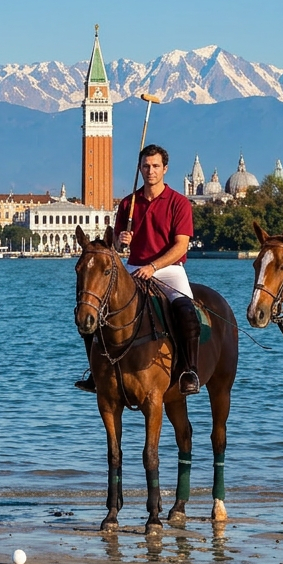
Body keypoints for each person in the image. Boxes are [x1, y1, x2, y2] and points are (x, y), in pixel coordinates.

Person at [78, 144, 201, 395]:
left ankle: (189, 370)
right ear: (140, 168)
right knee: (93, 309)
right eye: (146, 166)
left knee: (186, 311)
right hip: (133, 268)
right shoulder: (128, 204)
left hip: (168, 269)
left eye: (156, 166)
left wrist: (153, 266)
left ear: (165, 169)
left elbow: (181, 246)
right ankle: (95, 370)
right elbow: (113, 245)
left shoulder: (179, 203)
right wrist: (120, 241)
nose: (150, 171)